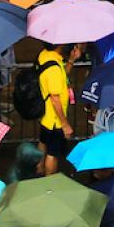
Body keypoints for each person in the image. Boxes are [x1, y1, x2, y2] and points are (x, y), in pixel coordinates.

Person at [38, 42, 81, 175]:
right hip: (55, 121)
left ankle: (39, 168)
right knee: (53, 153)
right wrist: (65, 124)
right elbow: (55, 98)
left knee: (43, 142)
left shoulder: (45, 56)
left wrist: (71, 60)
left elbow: (62, 77)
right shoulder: (54, 68)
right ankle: (49, 183)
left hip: (46, 117)